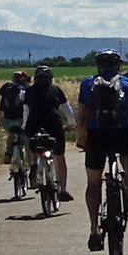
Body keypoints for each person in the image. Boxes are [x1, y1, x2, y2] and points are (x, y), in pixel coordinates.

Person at [75, 50, 128, 253]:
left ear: (98, 66)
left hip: (96, 136)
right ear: (118, 66)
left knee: (93, 183)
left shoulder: (87, 84)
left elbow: (80, 115)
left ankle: (94, 229)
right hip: (122, 134)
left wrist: (81, 139)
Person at [22, 65, 73, 201]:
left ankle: (34, 163)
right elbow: (67, 109)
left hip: (33, 123)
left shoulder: (29, 91)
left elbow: (26, 111)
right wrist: (71, 123)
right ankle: (63, 189)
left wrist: (24, 125)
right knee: (59, 156)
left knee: (34, 143)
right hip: (53, 123)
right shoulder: (55, 89)